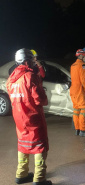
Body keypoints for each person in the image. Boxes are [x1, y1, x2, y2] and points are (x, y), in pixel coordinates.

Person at [6, 48, 52, 185]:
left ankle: (21, 175)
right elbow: (40, 100)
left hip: (20, 120)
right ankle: (39, 179)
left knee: (23, 147)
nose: (33, 63)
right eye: (31, 60)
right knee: (39, 147)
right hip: (33, 118)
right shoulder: (30, 76)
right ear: (26, 61)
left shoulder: (11, 79)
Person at [70, 48, 85, 137]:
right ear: (82, 55)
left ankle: (77, 129)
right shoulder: (82, 65)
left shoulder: (73, 65)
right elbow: (83, 80)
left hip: (73, 91)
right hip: (79, 91)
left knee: (76, 110)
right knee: (84, 109)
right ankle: (83, 130)